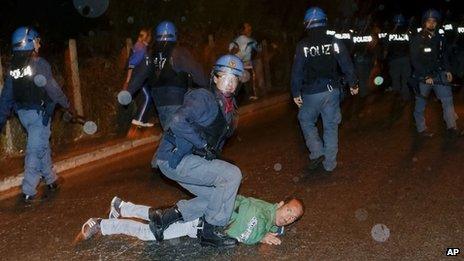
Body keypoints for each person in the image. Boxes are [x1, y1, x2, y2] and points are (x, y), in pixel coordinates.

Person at [149, 55, 245, 248]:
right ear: (215, 78)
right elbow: (177, 121)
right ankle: (210, 230)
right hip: (175, 158)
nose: (229, 84)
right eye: (225, 77)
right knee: (232, 175)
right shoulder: (203, 97)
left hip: (187, 158)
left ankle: (165, 217)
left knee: (217, 197)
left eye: (234, 80)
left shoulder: (228, 106)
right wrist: (202, 144)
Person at [0, 27, 74, 202]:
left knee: (41, 145)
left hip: (23, 116)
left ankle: (51, 179)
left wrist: (1, 119)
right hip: (39, 115)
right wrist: (67, 105)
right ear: (29, 43)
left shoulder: (13, 69)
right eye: (37, 41)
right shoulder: (39, 64)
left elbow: (6, 97)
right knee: (35, 150)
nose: (39, 44)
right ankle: (28, 190)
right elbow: (53, 89)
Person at [79, 195, 304, 246]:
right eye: (289, 211)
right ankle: (102, 224)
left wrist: (267, 233)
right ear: (280, 204)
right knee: (150, 232)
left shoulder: (268, 218)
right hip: (196, 220)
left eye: (293, 218)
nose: (289, 217)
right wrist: (260, 236)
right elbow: (243, 233)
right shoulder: (261, 212)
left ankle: (120, 206)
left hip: (198, 219)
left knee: (157, 216)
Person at [291, 7, 358, 173]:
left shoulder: (303, 45)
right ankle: (330, 164)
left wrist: (295, 92)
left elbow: (297, 71)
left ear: (306, 24)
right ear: (325, 21)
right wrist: (353, 83)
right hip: (332, 91)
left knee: (306, 119)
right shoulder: (334, 41)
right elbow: (346, 63)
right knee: (330, 126)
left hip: (311, 92)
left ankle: (316, 151)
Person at [127, 21, 207, 132]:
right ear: (174, 34)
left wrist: (128, 93)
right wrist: (209, 88)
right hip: (177, 98)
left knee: (171, 132)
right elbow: (197, 72)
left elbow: (139, 75)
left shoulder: (150, 54)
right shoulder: (180, 52)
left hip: (159, 101)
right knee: (182, 135)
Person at [410, 9, 462, 138]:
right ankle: (421, 129)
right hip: (423, 77)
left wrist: (448, 70)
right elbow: (414, 60)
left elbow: (443, 55)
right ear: (424, 23)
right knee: (420, 104)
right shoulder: (417, 39)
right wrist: (425, 75)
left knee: (448, 100)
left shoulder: (440, 38)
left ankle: (452, 126)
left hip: (439, 74)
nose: (431, 24)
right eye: (429, 21)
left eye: (434, 21)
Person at [123, 28, 154, 128]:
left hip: (141, 78)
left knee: (147, 97)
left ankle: (142, 120)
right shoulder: (140, 47)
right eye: (150, 36)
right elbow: (131, 64)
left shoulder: (142, 46)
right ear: (147, 37)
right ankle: (138, 119)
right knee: (146, 97)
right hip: (138, 77)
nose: (151, 38)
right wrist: (127, 81)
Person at [229, 22, 260, 101]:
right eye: (247, 27)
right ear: (243, 30)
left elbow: (231, 51)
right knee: (247, 82)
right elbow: (258, 49)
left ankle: (233, 98)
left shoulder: (235, 41)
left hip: (236, 66)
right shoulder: (250, 41)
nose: (250, 28)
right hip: (246, 65)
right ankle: (251, 96)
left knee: (239, 83)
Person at [385, 14, 412, 102]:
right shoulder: (407, 31)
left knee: (395, 79)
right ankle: (405, 98)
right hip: (405, 58)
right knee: (405, 79)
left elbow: (386, 46)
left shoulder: (390, 32)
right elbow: (412, 45)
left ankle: (396, 98)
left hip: (394, 59)